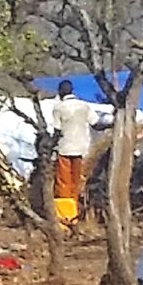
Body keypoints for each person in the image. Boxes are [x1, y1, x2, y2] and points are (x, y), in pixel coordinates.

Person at [51, 81, 95, 224]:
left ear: (60, 92)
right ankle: (75, 211)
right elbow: (96, 122)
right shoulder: (84, 106)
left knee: (64, 183)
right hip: (82, 149)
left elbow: (57, 130)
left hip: (65, 148)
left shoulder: (59, 108)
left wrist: (50, 146)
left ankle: (66, 215)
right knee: (77, 181)